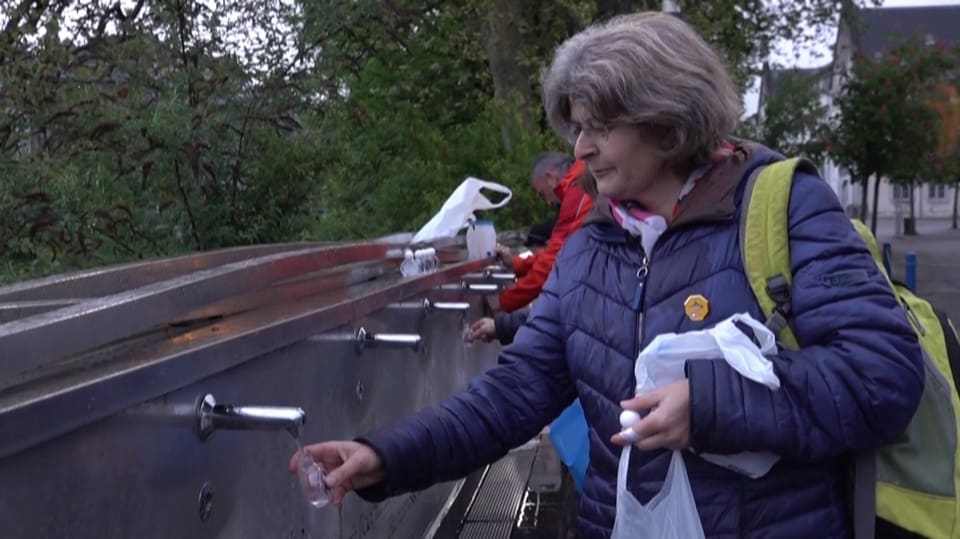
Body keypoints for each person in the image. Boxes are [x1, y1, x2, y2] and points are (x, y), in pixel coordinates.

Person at [290, 12, 924, 538]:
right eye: (577, 126)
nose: (580, 149)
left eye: (601, 126)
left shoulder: (783, 208)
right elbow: (515, 394)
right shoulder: (595, 241)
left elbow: (883, 376)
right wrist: (385, 455)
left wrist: (707, 406)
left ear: (667, 121)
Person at [495, 151, 593, 313]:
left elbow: (554, 261)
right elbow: (558, 251)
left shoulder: (578, 191)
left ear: (550, 177)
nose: (548, 202)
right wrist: (517, 263)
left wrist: (503, 301)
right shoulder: (581, 183)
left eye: (542, 194)